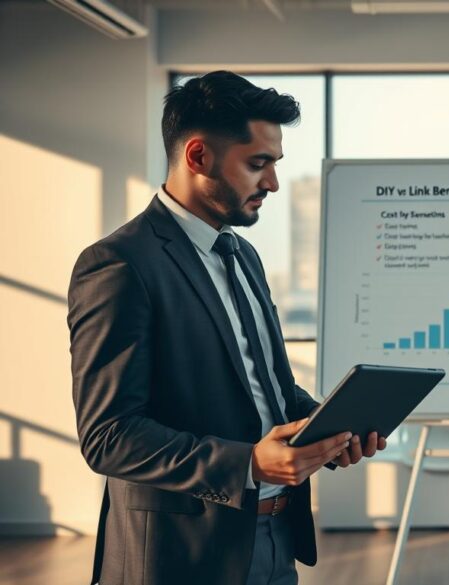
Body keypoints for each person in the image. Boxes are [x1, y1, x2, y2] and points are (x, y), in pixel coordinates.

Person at [68, 71, 386, 585]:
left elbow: (266, 387)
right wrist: (248, 465)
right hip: (178, 558)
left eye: (275, 164)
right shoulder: (120, 264)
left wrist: (325, 426)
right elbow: (109, 435)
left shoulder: (244, 255)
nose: (273, 183)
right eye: (258, 164)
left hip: (277, 540)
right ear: (198, 156)